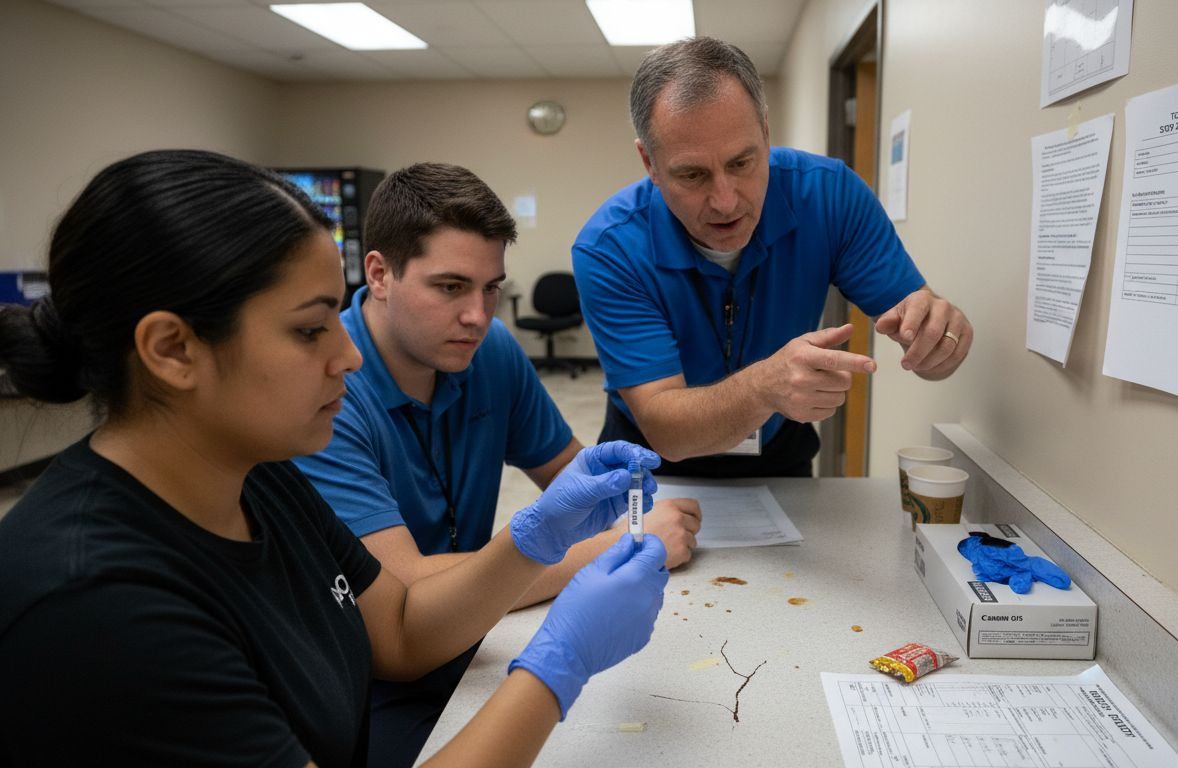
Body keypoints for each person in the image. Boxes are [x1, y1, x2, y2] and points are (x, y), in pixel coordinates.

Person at [0, 149, 669, 767]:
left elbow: (401, 634)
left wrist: (538, 535)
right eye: (310, 328)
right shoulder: (98, 601)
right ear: (174, 350)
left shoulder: (259, 479)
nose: (348, 356)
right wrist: (560, 666)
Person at [290, 162, 702, 767]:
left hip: (474, 640)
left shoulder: (489, 350)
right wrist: (630, 543)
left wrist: (615, 491)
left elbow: (569, 477)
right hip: (372, 681)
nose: (478, 316)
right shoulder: (328, 393)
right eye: (451, 287)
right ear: (378, 274)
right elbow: (403, 600)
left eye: (492, 289)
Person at [572, 37, 974, 478]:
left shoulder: (829, 196)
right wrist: (764, 386)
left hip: (778, 443)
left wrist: (938, 343)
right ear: (649, 161)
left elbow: (920, 330)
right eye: (693, 174)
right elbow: (668, 430)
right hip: (652, 457)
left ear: (765, 132)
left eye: (742, 163)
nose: (725, 202)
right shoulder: (609, 247)